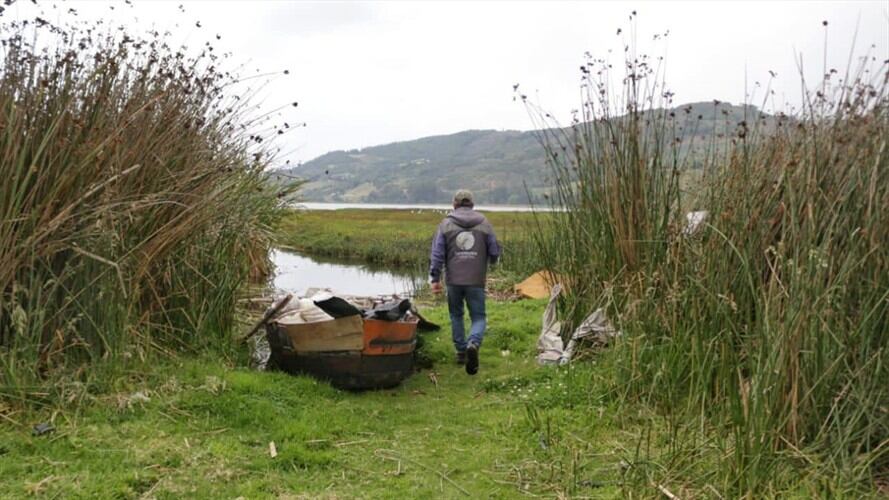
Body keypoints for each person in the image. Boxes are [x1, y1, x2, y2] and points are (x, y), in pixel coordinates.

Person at [429, 189, 501, 375]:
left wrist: (435, 278)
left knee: (456, 315)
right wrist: (491, 261)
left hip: (453, 279)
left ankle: (461, 352)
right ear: (472, 204)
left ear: (454, 204)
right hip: (476, 279)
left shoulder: (445, 224)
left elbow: (437, 254)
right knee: (478, 317)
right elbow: (494, 251)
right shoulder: (484, 223)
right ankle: (474, 343)